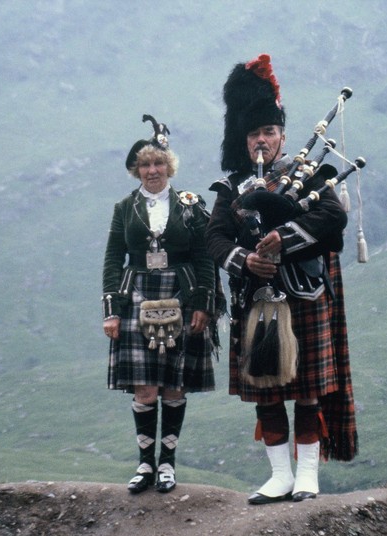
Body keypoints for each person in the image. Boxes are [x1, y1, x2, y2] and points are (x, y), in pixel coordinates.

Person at [205, 54, 358, 504]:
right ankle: (280, 477)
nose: (262, 140)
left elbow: (333, 217)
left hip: (305, 296)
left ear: (282, 137)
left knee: (308, 393)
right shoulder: (231, 188)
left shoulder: (304, 174)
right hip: (256, 300)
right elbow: (214, 239)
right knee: (268, 395)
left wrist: (280, 240)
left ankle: (307, 476)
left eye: (269, 132)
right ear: (245, 138)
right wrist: (245, 261)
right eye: (254, 133)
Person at [102, 115, 219, 494]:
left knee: (174, 387)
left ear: (169, 167)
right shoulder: (124, 209)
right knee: (145, 390)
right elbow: (112, 259)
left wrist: (204, 302)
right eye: (145, 165)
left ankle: (167, 465)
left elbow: (204, 256)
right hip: (136, 294)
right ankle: (144, 465)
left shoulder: (190, 204)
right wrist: (111, 311)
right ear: (136, 171)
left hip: (181, 295)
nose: (152, 170)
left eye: (158, 164)